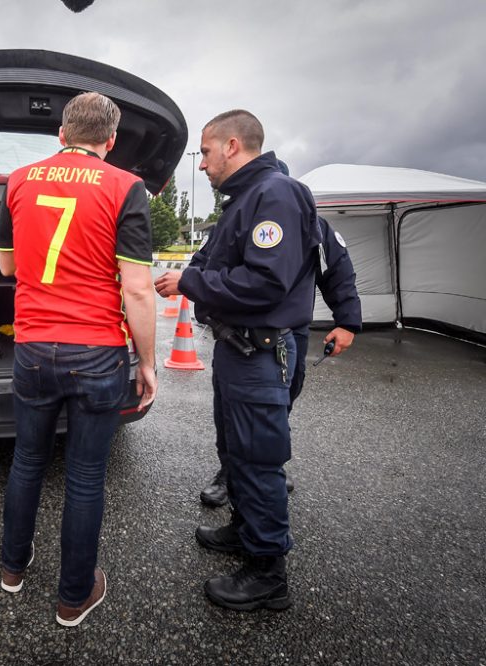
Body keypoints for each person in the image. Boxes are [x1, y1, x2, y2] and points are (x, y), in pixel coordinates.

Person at [0, 92, 159, 626]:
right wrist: (149, 362)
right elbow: (137, 290)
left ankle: (12, 570)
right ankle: (73, 597)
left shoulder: (19, 181)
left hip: (35, 348)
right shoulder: (126, 187)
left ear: (61, 134)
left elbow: (5, 267)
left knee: (27, 461)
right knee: (86, 476)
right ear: (109, 142)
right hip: (97, 353)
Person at [154, 110, 320, 611]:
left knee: (257, 460)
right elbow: (216, 263)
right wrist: (192, 274)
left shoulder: (276, 194)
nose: (201, 165)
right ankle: (245, 531)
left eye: (204, 153)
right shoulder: (244, 200)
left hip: (261, 350)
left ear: (232, 145)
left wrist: (191, 283)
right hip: (236, 348)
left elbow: (266, 282)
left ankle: (268, 573)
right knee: (234, 450)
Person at [198, 163, 362, 507]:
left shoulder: (311, 225)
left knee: (276, 406)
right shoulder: (235, 220)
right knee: (229, 411)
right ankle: (230, 473)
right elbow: (205, 262)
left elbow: (339, 273)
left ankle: (266, 471)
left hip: (290, 334)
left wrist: (347, 322)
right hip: (237, 335)